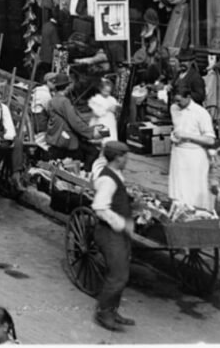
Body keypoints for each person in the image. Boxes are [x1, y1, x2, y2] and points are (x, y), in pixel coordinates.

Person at [90, 141, 136, 332]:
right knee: (118, 275)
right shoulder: (108, 180)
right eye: (125, 156)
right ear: (118, 157)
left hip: (118, 233)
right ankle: (103, 312)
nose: (127, 160)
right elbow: (100, 208)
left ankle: (112, 310)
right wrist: (122, 223)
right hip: (109, 233)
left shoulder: (116, 174)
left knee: (122, 273)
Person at [169, 85, 217, 210]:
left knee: (193, 189)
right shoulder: (174, 108)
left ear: (188, 97)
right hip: (178, 154)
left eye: (179, 100)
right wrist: (174, 135)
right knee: (178, 188)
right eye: (175, 100)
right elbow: (178, 127)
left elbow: (210, 140)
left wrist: (187, 135)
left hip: (194, 156)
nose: (177, 103)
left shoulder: (201, 113)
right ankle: (179, 214)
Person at [45, 74, 105, 170]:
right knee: (93, 152)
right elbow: (75, 123)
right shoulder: (64, 101)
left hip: (55, 136)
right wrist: (91, 133)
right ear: (67, 87)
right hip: (64, 139)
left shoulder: (52, 100)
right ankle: (85, 174)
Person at [88, 78, 120, 142]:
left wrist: (116, 109)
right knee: (102, 139)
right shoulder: (96, 99)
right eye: (105, 91)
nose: (107, 93)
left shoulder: (112, 99)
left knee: (111, 137)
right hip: (101, 121)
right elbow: (96, 113)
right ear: (101, 89)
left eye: (109, 92)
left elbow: (116, 109)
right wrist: (107, 109)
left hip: (110, 121)